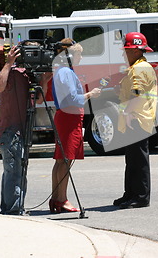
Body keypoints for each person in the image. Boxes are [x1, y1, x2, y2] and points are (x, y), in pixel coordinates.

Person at [0, 44, 51, 215]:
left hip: (21, 131)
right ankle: (13, 210)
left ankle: (11, 208)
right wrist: (8, 63)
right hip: (10, 132)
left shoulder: (28, 76)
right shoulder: (12, 72)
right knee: (14, 172)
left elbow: (39, 100)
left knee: (16, 171)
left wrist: (44, 81)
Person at [50, 38, 101, 213]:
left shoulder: (61, 71)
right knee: (65, 160)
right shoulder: (66, 72)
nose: (80, 58)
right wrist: (90, 94)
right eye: (79, 54)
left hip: (65, 117)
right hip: (68, 118)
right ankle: (62, 199)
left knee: (60, 160)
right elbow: (73, 98)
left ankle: (56, 198)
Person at [113, 32, 157, 209]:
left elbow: (138, 95)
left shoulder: (139, 68)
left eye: (127, 50)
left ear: (137, 51)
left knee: (138, 160)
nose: (124, 53)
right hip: (135, 118)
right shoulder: (137, 67)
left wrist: (127, 113)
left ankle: (140, 196)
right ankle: (130, 193)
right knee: (132, 160)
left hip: (137, 119)